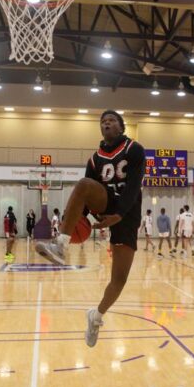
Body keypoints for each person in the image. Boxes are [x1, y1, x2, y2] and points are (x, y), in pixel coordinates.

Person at [35, 110, 144, 347]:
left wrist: (119, 215)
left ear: (122, 127)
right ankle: (61, 244)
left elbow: (134, 187)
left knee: (119, 280)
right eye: (103, 121)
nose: (106, 123)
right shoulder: (94, 160)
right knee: (84, 184)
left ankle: (96, 316)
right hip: (107, 203)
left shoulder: (134, 149)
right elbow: (84, 198)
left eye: (111, 120)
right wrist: (77, 223)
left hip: (128, 210)